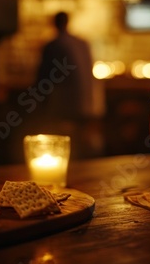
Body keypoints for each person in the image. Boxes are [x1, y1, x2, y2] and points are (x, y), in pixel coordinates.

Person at [31, 12, 104, 159]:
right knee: (82, 144)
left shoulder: (54, 45)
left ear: (54, 24)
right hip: (89, 104)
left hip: (66, 107)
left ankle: (70, 167)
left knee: (60, 141)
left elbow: (43, 79)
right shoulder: (82, 43)